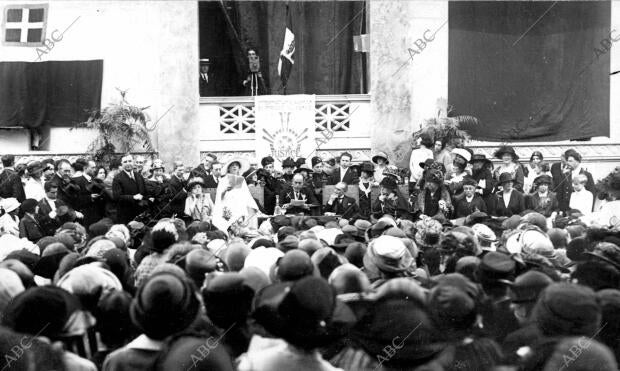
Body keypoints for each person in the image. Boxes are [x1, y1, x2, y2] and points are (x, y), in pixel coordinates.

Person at [211, 158, 260, 232]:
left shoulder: (241, 179)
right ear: (228, 168)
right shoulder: (223, 180)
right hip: (226, 205)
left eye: (236, 165)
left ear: (239, 168)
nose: (234, 167)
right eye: (232, 165)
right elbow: (219, 197)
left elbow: (246, 195)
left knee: (248, 212)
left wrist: (252, 206)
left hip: (239, 205)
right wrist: (225, 190)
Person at [112, 154, 148, 224]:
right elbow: (117, 197)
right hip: (126, 215)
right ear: (122, 164)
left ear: (133, 162)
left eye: (129, 161)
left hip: (140, 213)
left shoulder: (139, 176)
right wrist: (133, 197)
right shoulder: (117, 178)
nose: (128, 163)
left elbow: (145, 191)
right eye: (125, 162)